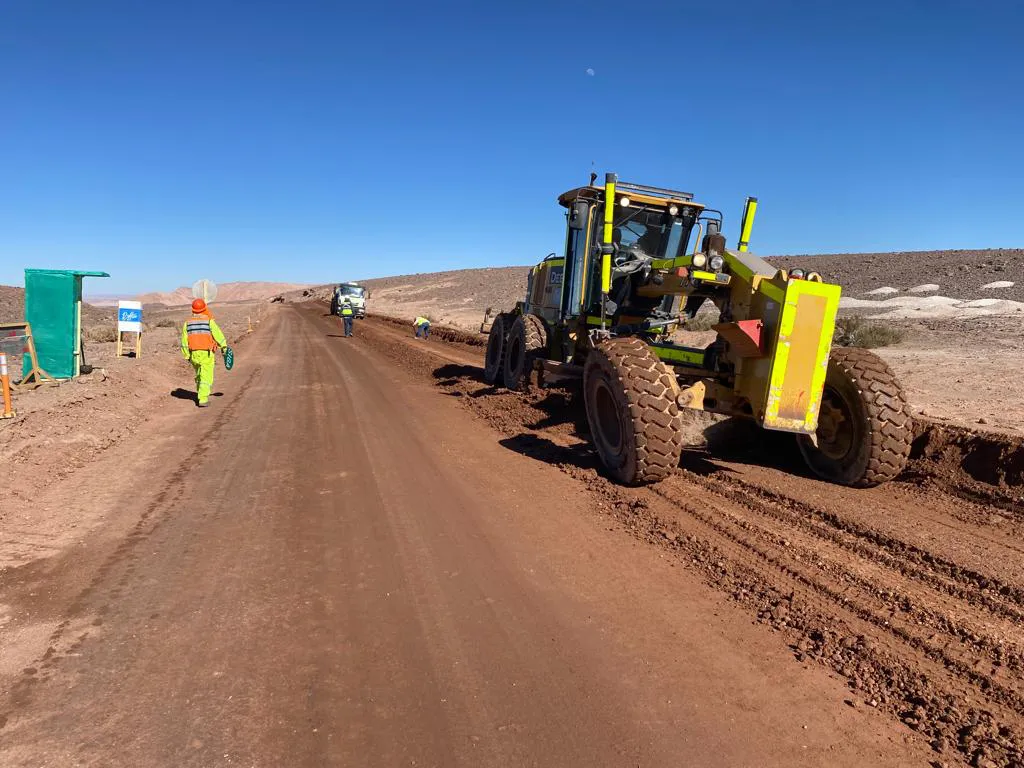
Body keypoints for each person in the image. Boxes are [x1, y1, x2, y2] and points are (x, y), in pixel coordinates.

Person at [181, 298, 227, 407]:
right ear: (204, 309)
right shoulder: (209, 321)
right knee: (206, 376)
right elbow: (218, 335)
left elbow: (184, 341)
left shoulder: (187, 323)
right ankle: (202, 398)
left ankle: (200, 392)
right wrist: (224, 347)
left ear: (193, 309)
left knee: (199, 375)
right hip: (206, 353)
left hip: (193, 354)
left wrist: (187, 355)